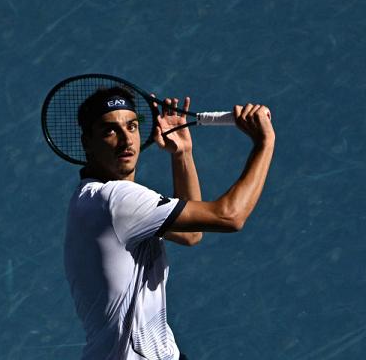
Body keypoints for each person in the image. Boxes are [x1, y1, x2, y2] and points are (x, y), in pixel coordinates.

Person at [63, 86, 275, 359]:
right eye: (109, 131)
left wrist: (182, 154)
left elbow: (191, 234)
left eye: (132, 127)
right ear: (87, 143)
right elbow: (229, 216)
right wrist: (264, 143)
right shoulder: (114, 200)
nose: (126, 140)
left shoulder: (95, 199)